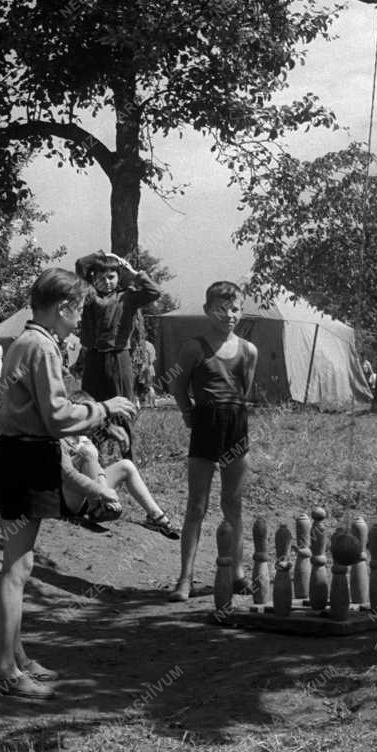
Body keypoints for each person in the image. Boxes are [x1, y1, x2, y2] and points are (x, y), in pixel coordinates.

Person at [0, 267, 136, 701]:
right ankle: (2, 671)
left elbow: (48, 411)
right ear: (63, 307)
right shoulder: (42, 348)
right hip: (25, 458)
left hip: (21, 455)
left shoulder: (28, 343)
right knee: (15, 569)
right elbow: (56, 416)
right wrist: (105, 409)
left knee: (22, 565)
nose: (82, 316)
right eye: (81, 308)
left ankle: (17, 657)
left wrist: (93, 418)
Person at [168, 280, 258, 603]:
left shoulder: (249, 350)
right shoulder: (195, 347)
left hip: (235, 425)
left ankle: (237, 573)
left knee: (233, 503)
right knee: (197, 504)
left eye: (235, 308)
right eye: (222, 308)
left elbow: (244, 390)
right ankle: (185, 579)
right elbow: (178, 387)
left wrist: (229, 414)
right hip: (205, 424)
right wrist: (188, 413)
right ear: (208, 310)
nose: (229, 314)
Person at [77, 252, 160, 459]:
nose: (106, 282)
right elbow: (80, 265)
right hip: (94, 359)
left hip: (118, 358)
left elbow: (154, 292)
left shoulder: (128, 296)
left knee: (123, 407)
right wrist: (103, 255)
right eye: (101, 277)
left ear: (119, 278)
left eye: (111, 277)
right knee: (91, 405)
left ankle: (128, 460)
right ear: (94, 278)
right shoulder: (88, 295)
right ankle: (94, 458)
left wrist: (131, 270)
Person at [59, 434, 180, 538]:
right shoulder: (56, 436)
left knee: (126, 466)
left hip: (87, 496)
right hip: (65, 499)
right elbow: (68, 476)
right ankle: (99, 507)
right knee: (87, 454)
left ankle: (157, 517)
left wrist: (103, 487)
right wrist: (102, 491)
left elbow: (95, 467)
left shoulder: (80, 436)